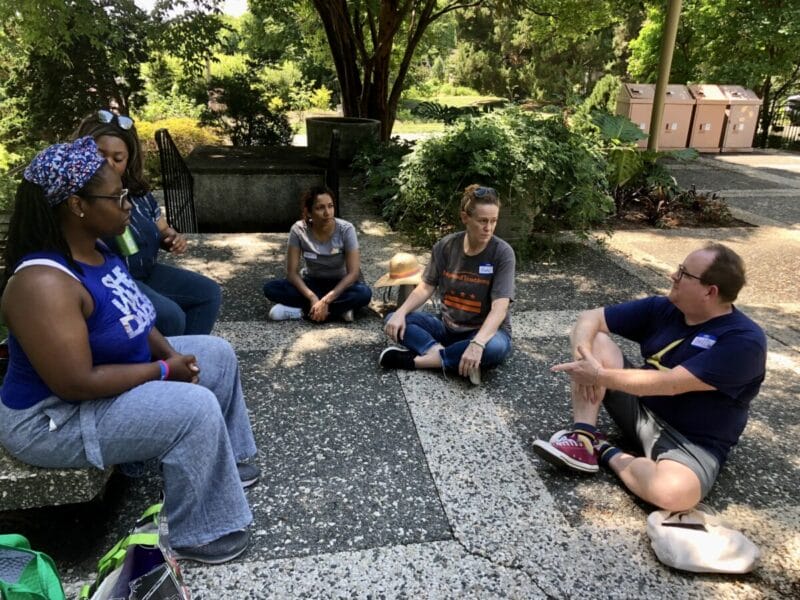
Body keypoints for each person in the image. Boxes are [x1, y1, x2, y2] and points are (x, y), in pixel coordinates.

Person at [0, 137, 258, 564]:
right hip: (53, 420)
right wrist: (161, 370)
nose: (128, 205)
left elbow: (139, 318)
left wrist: (170, 356)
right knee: (193, 407)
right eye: (118, 196)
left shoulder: (98, 250)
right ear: (77, 205)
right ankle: (201, 532)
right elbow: (75, 383)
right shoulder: (42, 284)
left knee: (216, 353)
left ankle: (228, 461)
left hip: (101, 379)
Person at [533, 243, 766, 512]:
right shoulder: (665, 308)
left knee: (674, 495)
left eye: (683, 274)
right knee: (594, 341)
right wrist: (584, 356)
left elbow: (672, 384)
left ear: (709, 291)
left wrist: (597, 374)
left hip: (689, 441)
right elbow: (590, 317)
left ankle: (604, 450)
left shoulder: (744, 341)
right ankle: (583, 437)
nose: (673, 276)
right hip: (639, 407)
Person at [74, 110, 222, 336]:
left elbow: (161, 228)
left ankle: (188, 360)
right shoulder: (78, 199)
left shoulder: (138, 193)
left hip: (147, 272)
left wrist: (170, 238)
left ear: (129, 159)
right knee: (171, 316)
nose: (108, 164)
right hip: (112, 279)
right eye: (99, 154)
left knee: (209, 293)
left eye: (117, 158)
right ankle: (166, 366)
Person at [379, 184, 514, 385]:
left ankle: (419, 361)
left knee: (495, 349)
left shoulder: (502, 253)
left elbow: (500, 307)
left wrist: (477, 343)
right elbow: (426, 286)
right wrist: (401, 313)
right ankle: (444, 354)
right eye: (482, 221)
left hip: (485, 332)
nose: (489, 228)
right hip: (447, 327)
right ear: (465, 218)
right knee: (392, 318)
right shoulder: (446, 246)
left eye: (494, 221)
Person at [263, 185, 372, 322]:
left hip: (340, 285)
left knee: (364, 293)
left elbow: (353, 273)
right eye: (320, 208)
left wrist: (326, 301)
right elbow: (291, 273)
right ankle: (339, 311)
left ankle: (302, 311)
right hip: (312, 283)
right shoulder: (298, 230)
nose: (327, 213)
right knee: (271, 288)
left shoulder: (346, 229)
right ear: (308, 212)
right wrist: (312, 297)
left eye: (330, 206)